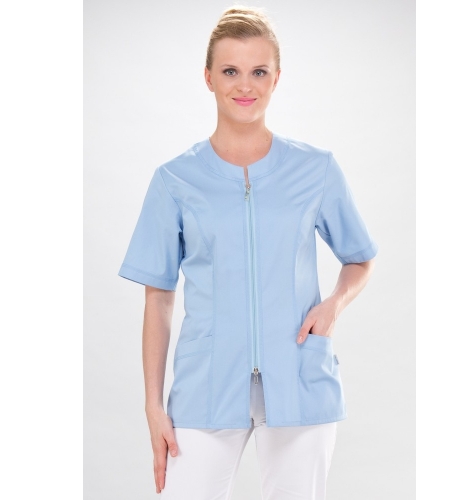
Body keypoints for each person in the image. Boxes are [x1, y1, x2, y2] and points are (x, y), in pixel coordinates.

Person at [118, 5, 378, 499]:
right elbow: (159, 297)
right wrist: (153, 406)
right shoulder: (175, 180)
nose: (245, 86)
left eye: (259, 71)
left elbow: (360, 258)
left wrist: (333, 306)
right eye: (230, 71)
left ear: (276, 78)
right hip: (205, 386)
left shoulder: (315, 169)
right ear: (208, 78)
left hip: (300, 378)